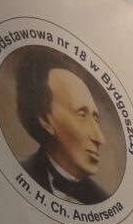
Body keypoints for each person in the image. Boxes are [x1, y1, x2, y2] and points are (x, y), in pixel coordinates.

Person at [14, 50, 109, 204]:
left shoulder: (103, 200)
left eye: (95, 118)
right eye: (82, 115)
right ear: (45, 119)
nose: (100, 138)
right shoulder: (19, 175)